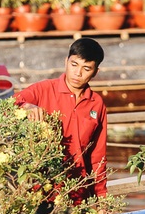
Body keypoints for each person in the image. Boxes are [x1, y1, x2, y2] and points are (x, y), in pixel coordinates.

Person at [14, 37, 107, 200]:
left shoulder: (97, 104)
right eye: (74, 65)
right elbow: (9, 105)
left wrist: (102, 197)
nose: (78, 73)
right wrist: (26, 106)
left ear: (95, 72)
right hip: (37, 190)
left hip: (76, 192)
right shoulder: (43, 89)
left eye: (86, 68)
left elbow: (97, 156)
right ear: (66, 62)